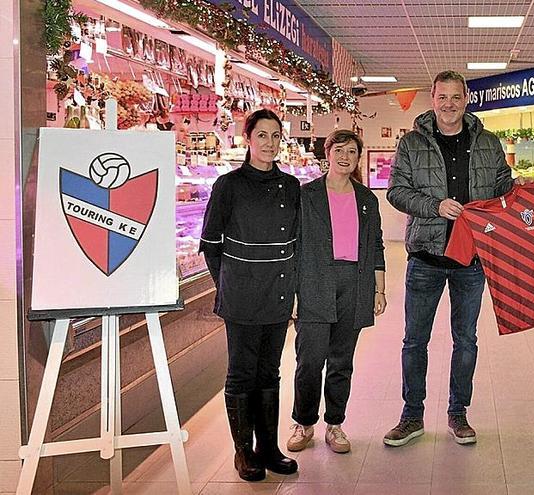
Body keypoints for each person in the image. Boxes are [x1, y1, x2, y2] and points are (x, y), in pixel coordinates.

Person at [384, 70, 513, 446]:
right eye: (442, 97)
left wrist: (525, 198)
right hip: (426, 255)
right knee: (414, 341)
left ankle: (458, 413)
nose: (449, 104)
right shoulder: (411, 143)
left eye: (456, 97)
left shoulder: (489, 143)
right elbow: (396, 192)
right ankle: (411, 415)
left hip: (471, 260)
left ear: (466, 98)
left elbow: (504, 187)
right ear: (432, 99)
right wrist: (434, 206)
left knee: (466, 340)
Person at [199, 109, 299, 481]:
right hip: (240, 296)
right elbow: (210, 243)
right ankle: (243, 453)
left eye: (275, 137)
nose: (269, 143)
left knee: (270, 372)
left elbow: (296, 243)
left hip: (277, 293)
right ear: (248, 139)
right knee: (242, 373)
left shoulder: (290, 186)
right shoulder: (228, 185)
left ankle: (268, 447)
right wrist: (228, 282)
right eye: (262, 136)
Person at [286, 130, 387, 455]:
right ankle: (303, 422)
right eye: (339, 150)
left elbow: (376, 246)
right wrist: (294, 292)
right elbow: (294, 245)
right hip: (314, 281)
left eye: (352, 152)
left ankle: (335, 424)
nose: (345, 157)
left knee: (342, 361)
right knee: (310, 360)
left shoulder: (367, 200)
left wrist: (378, 289)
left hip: (353, 284)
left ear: (359, 158)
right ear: (327, 153)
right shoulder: (305, 195)